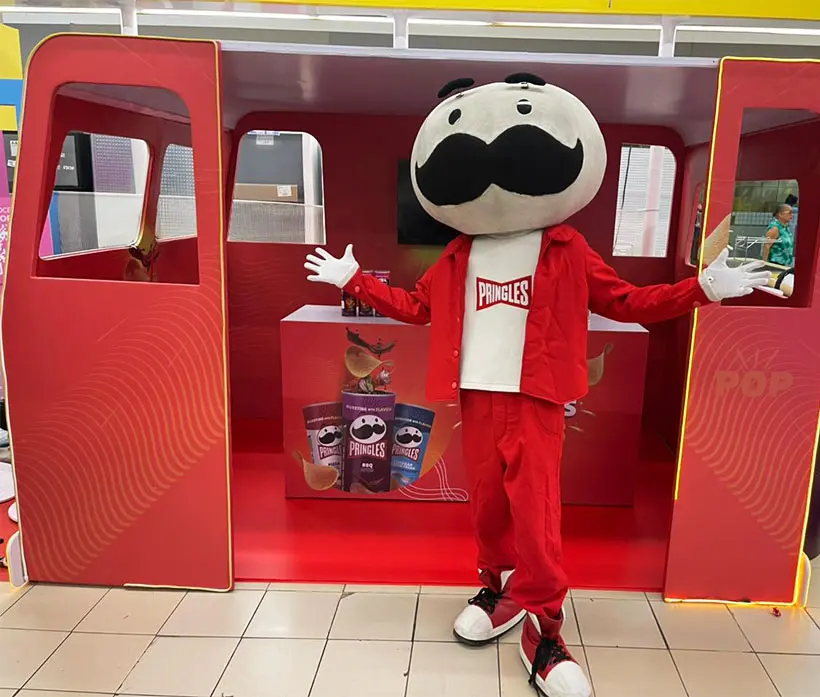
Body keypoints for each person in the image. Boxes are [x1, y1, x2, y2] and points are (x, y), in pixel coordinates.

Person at [305, 75, 770, 697]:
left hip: (536, 401)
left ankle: (545, 629)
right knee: (488, 506)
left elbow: (627, 301)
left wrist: (702, 288)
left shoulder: (567, 248)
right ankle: (500, 589)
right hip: (476, 397)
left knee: (537, 515)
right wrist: (355, 280)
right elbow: (417, 308)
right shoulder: (457, 254)